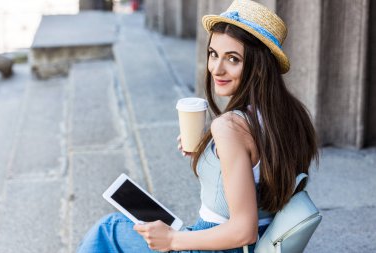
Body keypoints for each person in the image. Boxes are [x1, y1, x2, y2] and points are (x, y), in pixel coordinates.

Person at [77, 0, 318, 252]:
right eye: (213, 54)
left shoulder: (230, 127)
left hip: (218, 246)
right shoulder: (292, 114)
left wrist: (172, 240)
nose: (216, 68)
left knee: (109, 228)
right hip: (265, 238)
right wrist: (212, 157)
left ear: (258, 67)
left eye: (233, 59)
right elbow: (260, 171)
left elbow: (243, 230)